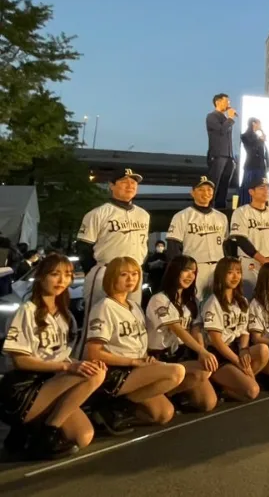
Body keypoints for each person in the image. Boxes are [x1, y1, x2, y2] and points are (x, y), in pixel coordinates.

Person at [0, 254, 106, 459]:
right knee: (94, 375)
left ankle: (30, 431)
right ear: (41, 277)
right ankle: (46, 434)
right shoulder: (27, 311)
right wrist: (67, 367)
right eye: (55, 274)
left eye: (67, 275)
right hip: (24, 387)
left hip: (53, 382)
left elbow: (61, 355)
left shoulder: (66, 315)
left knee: (83, 436)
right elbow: (20, 361)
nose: (62, 280)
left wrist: (80, 363)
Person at [84, 257, 186, 431]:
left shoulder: (134, 306)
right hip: (115, 371)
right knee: (177, 372)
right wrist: (132, 361)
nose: (130, 279)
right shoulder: (104, 307)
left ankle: (119, 408)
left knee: (164, 413)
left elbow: (138, 342)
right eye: (124, 274)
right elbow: (93, 352)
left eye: (134, 274)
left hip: (136, 366)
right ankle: (111, 406)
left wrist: (145, 358)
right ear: (112, 277)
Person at [144, 256, 218, 412]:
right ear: (174, 271)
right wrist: (202, 351)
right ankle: (164, 393)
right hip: (160, 357)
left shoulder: (190, 300)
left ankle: (175, 392)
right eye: (186, 270)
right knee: (202, 372)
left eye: (194, 272)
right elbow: (177, 329)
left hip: (181, 355)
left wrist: (201, 353)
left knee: (208, 402)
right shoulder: (159, 299)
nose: (190, 275)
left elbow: (195, 329)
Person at [77, 168, 151, 322]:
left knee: (132, 318)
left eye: (133, 182)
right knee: (98, 318)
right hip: (106, 269)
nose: (130, 185)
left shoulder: (143, 215)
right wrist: (94, 271)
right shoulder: (98, 213)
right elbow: (83, 247)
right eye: (124, 181)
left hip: (135, 272)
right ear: (111, 185)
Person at [202, 257, 269, 401]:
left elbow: (244, 331)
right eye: (230, 272)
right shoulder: (213, 302)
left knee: (263, 350)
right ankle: (222, 385)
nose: (235, 276)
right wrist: (240, 363)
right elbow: (216, 341)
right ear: (221, 275)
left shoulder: (242, 300)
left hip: (235, 348)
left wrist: (244, 349)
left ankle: (240, 381)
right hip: (219, 355)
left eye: (238, 272)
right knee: (253, 391)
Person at [166, 176, 228, 298]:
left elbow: (225, 246)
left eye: (209, 189)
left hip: (218, 267)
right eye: (201, 189)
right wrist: (180, 271)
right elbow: (173, 246)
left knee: (219, 302)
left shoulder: (221, 217)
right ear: (192, 192)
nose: (206, 193)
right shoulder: (182, 216)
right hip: (195, 268)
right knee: (194, 302)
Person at [229, 178, 269, 298]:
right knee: (248, 298)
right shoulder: (241, 212)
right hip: (249, 263)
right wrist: (262, 259)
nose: (266, 191)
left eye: (268, 188)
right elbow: (241, 239)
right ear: (251, 192)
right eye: (262, 188)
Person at [206, 93, 237, 210]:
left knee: (224, 185)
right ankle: (209, 208)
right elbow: (221, 131)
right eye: (226, 101)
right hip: (217, 155)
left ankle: (221, 209)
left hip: (228, 156)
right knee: (214, 183)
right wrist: (230, 118)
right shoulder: (211, 116)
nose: (229, 104)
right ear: (218, 102)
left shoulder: (225, 118)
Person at [239, 118, 269, 206]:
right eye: (259, 123)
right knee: (250, 187)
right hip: (251, 166)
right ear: (253, 123)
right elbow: (251, 150)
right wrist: (260, 140)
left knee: (263, 186)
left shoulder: (257, 136)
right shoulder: (245, 135)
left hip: (261, 166)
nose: (260, 125)